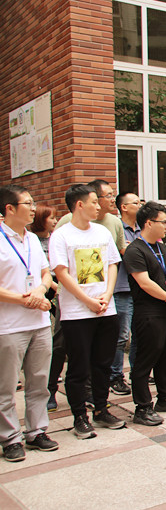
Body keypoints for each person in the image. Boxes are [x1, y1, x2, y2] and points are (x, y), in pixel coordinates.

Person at [50, 184, 126, 439]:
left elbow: (113, 264)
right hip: (76, 313)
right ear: (79, 205)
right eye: (94, 202)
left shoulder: (102, 231)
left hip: (105, 309)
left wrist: (107, 295)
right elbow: (61, 273)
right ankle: (79, 416)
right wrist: (87, 301)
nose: (98, 206)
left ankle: (101, 409)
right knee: (78, 367)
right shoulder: (61, 236)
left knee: (103, 364)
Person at [0, 185, 58, 461]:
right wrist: (23, 299)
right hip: (9, 325)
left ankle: (36, 431)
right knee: (6, 386)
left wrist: (40, 291)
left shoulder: (33, 239)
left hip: (39, 322)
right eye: (28, 203)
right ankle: (10, 438)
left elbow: (46, 273)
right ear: (10, 208)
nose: (34, 208)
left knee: (39, 382)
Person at [124, 201, 166, 426]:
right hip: (149, 312)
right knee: (145, 360)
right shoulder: (135, 250)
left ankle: (165, 397)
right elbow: (144, 282)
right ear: (149, 223)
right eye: (163, 222)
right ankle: (142, 407)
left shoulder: (161, 247)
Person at [30, 205, 63, 412]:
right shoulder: (31, 241)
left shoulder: (56, 239)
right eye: (50, 218)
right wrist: (52, 287)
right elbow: (42, 271)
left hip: (63, 292)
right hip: (43, 292)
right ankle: (50, 390)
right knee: (58, 343)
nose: (54, 221)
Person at [109, 192, 141, 396]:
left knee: (139, 334)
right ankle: (115, 376)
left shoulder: (143, 228)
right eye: (135, 202)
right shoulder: (116, 228)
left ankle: (138, 372)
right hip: (122, 288)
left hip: (141, 289)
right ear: (124, 207)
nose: (139, 205)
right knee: (121, 336)